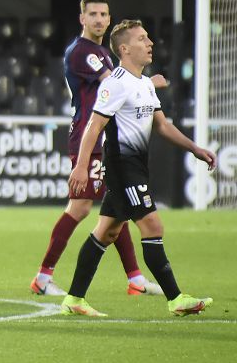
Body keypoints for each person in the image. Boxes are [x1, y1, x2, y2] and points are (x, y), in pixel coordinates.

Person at [60, 20, 216, 317]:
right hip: (121, 167)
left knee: (106, 232)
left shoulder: (143, 83)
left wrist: (195, 149)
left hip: (136, 166)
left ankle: (74, 299)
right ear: (124, 48)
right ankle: (176, 299)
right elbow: (94, 126)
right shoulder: (115, 83)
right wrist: (81, 166)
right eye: (142, 39)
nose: (150, 43)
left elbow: (162, 125)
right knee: (153, 226)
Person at [30, 0, 163, 298]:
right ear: (82, 18)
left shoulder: (102, 53)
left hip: (107, 139)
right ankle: (43, 276)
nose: (100, 20)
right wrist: (151, 82)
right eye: (93, 14)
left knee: (116, 207)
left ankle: (136, 279)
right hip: (90, 137)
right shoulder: (82, 52)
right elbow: (112, 85)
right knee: (79, 207)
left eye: (104, 14)